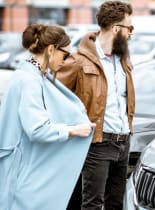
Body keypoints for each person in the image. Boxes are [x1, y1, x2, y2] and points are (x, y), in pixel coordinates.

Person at [0, 24, 96, 210]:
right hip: (19, 172)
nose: (66, 60)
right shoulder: (30, 80)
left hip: (18, 165)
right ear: (51, 49)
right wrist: (73, 130)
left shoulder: (30, 74)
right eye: (65, 54)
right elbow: (37, 129)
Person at [57, 1, 135, 209]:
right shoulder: (79, 61)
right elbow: (53, 97)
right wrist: (72, 127)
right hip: (98, 144)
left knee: (116, 204)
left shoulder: (122, 59)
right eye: (130, 28)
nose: (131, 34)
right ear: (116, 28)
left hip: (124, 141)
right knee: (92, 204)